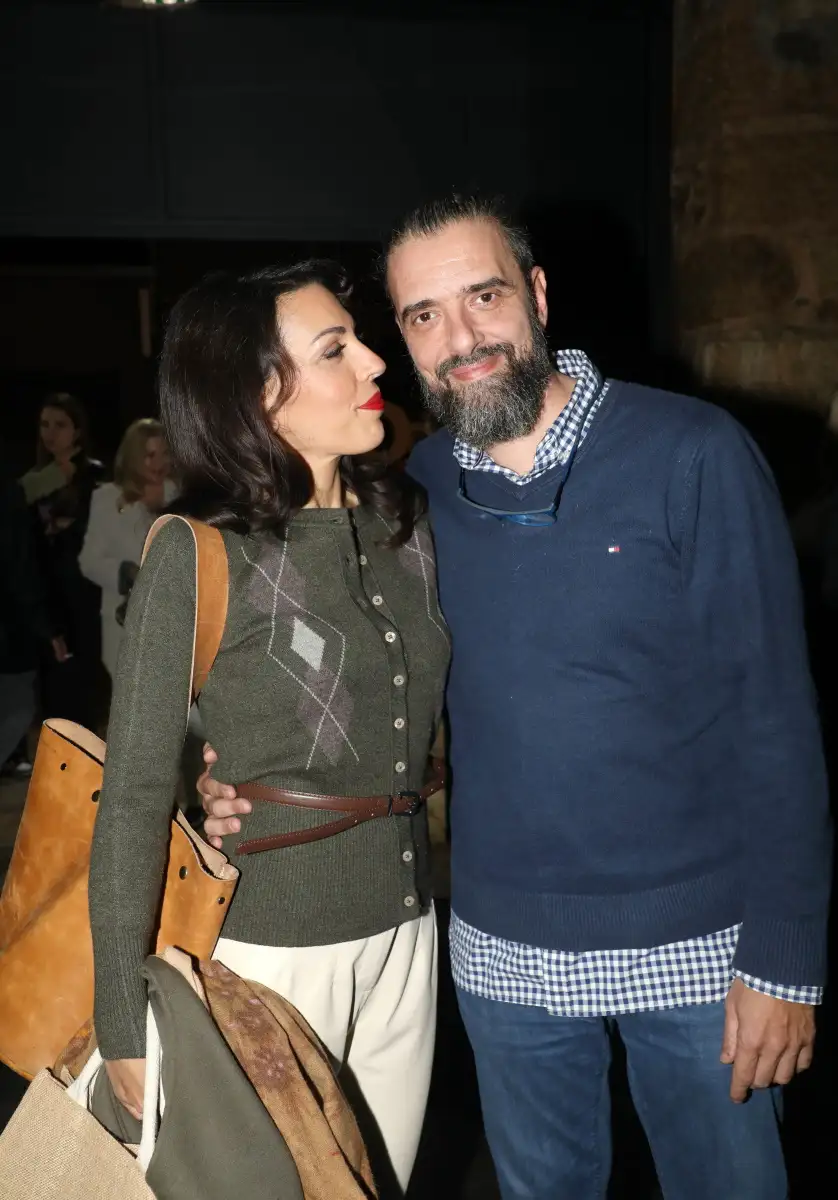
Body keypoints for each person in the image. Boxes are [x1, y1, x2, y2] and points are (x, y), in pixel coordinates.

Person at [200, 196, 832, 1200]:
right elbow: (349, 684)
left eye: (484, 296)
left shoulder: (692, 452)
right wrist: (243, 778)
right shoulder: (408, 494)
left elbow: (777, 722)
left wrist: (784, 962)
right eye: (424, 315)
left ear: (535, 295)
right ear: (402, 337)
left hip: (700, 947)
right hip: (502, 953)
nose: (461, 338)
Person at [87, 260, 450, 1196]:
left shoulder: (408, 525)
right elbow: (131, 793)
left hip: (409, 932)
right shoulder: (199, 552)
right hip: (272, 951)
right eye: (335, 350)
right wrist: (121, 1020)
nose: (375, 360)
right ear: (260, 396)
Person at [20, 392, 104, 728]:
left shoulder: (93, 476)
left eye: (59, 425)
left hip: (84, 594)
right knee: (52, 693)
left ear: (77, 430)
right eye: (45, 425)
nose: (50, 433)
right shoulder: (35, 480)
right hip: (46, 592)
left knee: (83, 688)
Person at [80, 418, 177, 681]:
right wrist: (125, 572)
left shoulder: (181, 496)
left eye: (164, 454)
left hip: (174, 627)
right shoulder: (106, 499)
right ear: (133, 457)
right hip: (125, 628)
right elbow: (89, 560)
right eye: (149, 455)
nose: (159, 463)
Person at [0, 471, 70, 769]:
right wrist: (47, 627)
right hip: (9, 629)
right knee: (18, 705)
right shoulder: (8, 496)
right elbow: (20, 569)